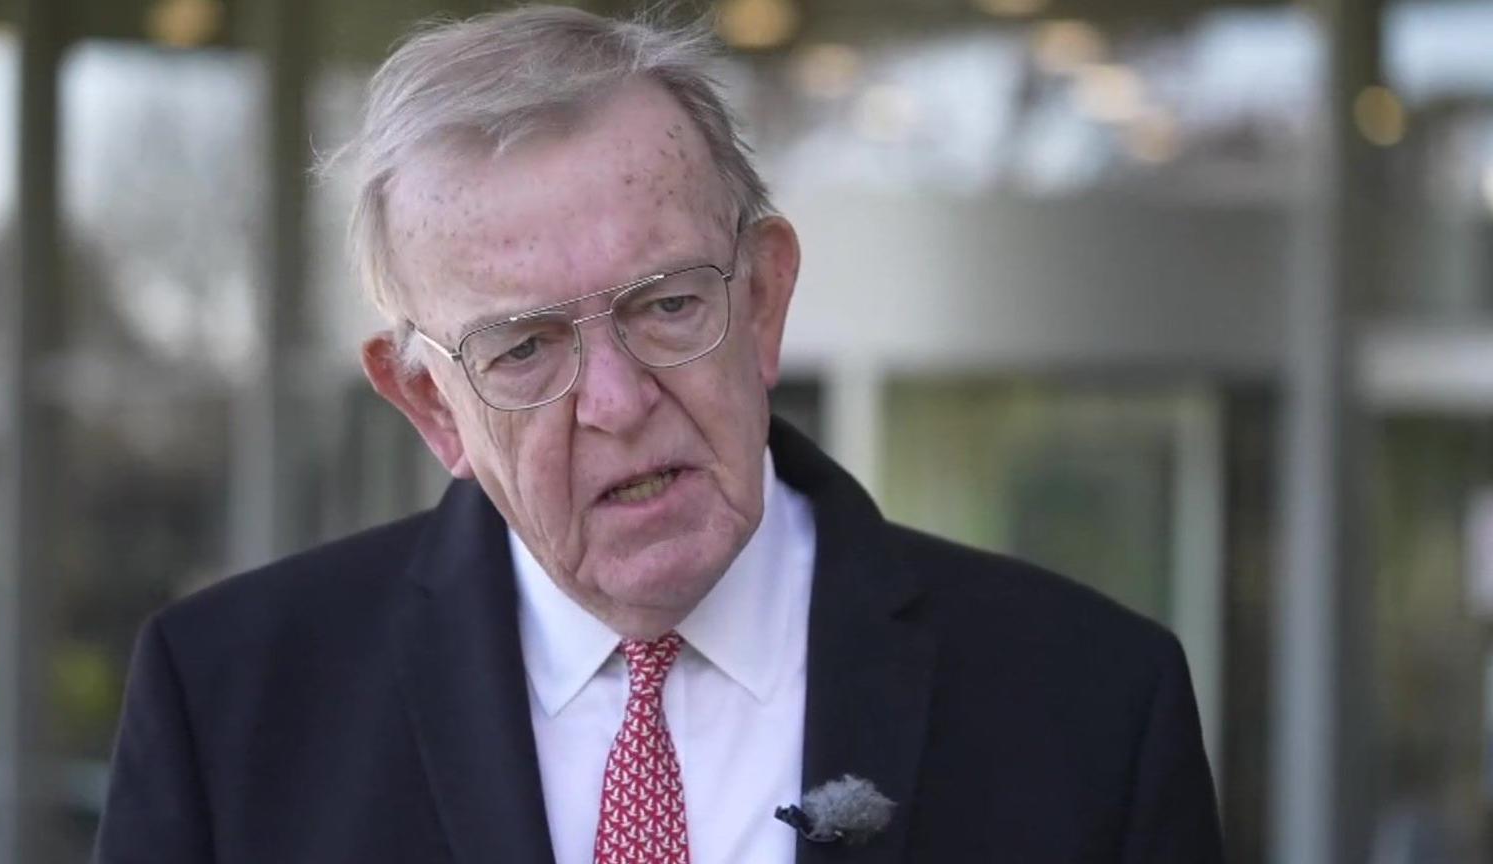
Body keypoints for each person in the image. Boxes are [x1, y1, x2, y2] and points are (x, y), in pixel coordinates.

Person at [92, 6, 1223, 863]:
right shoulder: (230, 710)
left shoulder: (1090, 704)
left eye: (668, 304)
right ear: (431, 405)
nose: (620, 402)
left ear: (766, 300)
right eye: (525, 350)